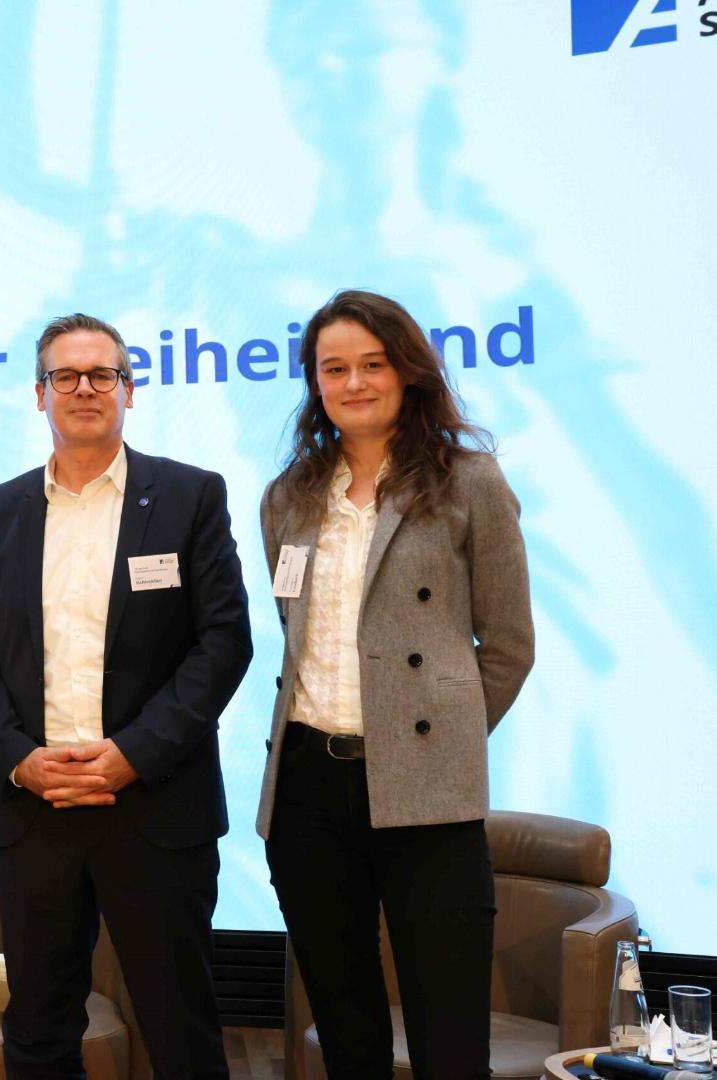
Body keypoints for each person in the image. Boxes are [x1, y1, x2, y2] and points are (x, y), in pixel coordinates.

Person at [0, 313, 252, 1079]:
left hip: (154, 806)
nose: (83, 388)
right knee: (39, 1033)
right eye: (65, 376)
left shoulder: (189, 496)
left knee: (179, 1031)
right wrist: (20, 760)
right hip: (36, 810)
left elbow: (223, 643)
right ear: (39, 394)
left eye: (101, 374)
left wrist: (132, 754)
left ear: (128, 389)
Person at [256, 289, 535, 1079]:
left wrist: (438, 735)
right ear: (314, 382)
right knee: (344, 1031)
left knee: (448, 1038)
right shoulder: (287, 496)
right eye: (333, 368)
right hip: (307, 786)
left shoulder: (468, 482)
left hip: (425, 786)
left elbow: (508, 645)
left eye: (371, 364)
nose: (353, 383)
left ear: (407, 371)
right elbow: (294, 631)